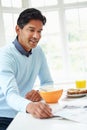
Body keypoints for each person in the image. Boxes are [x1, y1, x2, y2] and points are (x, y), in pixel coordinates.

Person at [0, 8, 54, 130]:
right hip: (3, 117)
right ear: (18, 29)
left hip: (25, 112)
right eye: (31, 30)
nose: (37, 36)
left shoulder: (38, 51)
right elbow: (10, 95)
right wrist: (30, 106)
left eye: (39, 31)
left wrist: (40, 93)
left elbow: (48, 82)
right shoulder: (4, 55)